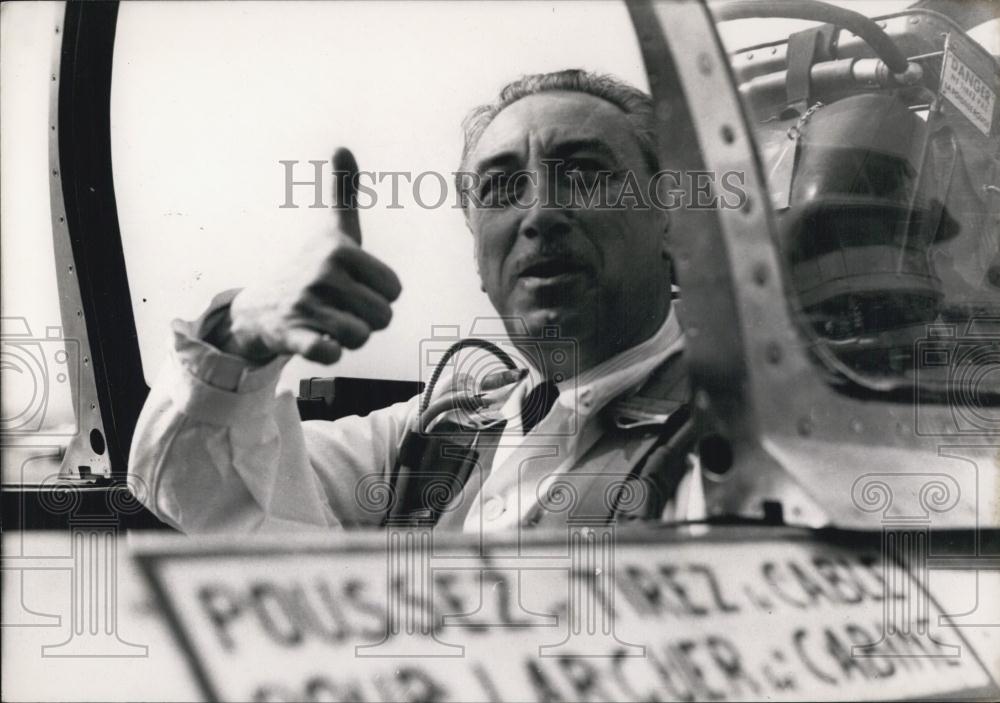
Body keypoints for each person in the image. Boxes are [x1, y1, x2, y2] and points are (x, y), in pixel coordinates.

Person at [129, 69, 702, 534]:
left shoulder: (736, 437)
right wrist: (241, 331)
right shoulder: (436, 434)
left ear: (672, 223)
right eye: (502, 189)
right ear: (479, 257)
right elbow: (192, 482)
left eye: (582, 174)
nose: (540, 215)